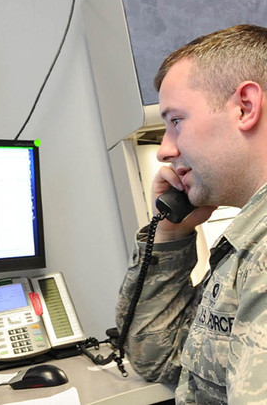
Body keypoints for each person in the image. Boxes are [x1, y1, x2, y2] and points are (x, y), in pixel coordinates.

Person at [116, 24, 267, 404]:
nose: (164, 150)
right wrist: (170, 233)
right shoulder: (248, 243)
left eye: (176, 121)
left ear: (245, 107)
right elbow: (163, 357)